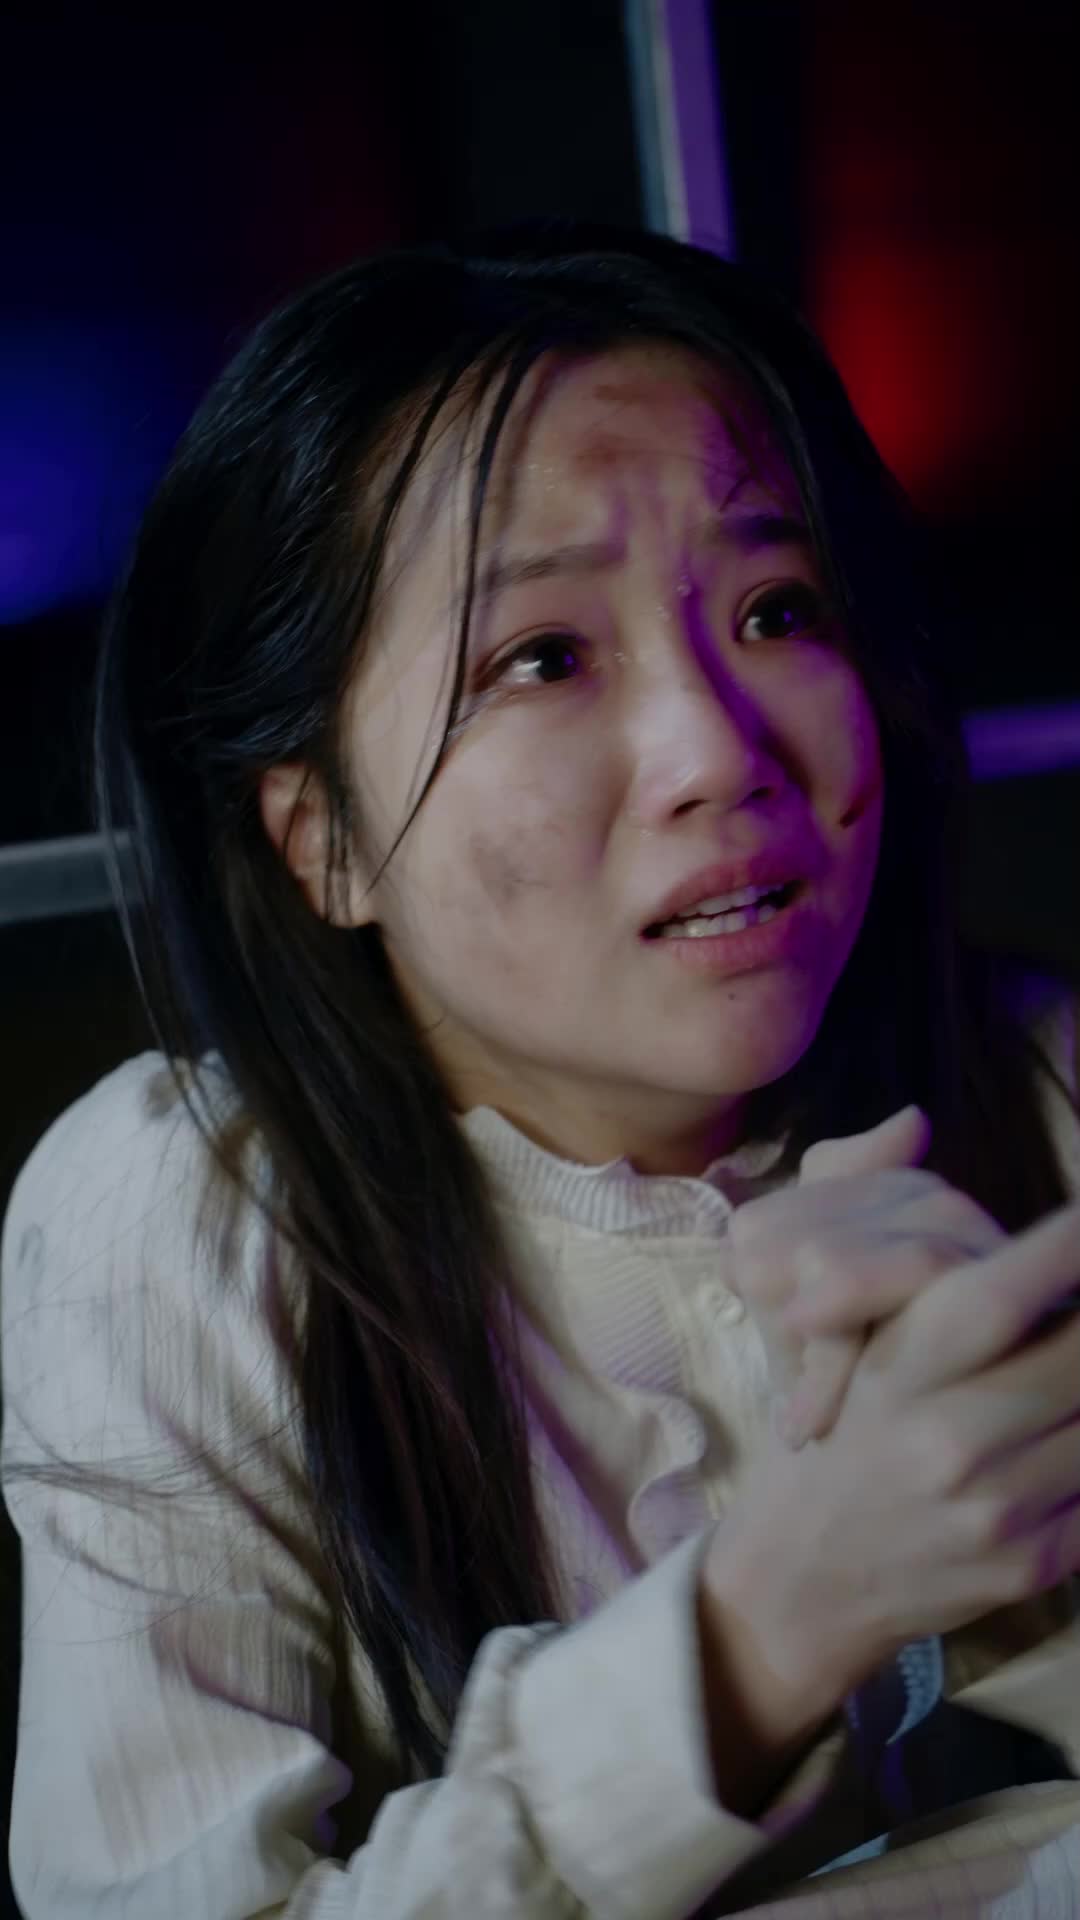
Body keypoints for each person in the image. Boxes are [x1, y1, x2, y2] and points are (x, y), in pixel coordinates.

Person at [2, 220, 1079, 1920]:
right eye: (544, 658)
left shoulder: (1042, 1082)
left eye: (778, 609)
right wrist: (767, 1621)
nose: (719, 752)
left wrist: (1006, 1516)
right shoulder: (176, 1220)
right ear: (322, 838)